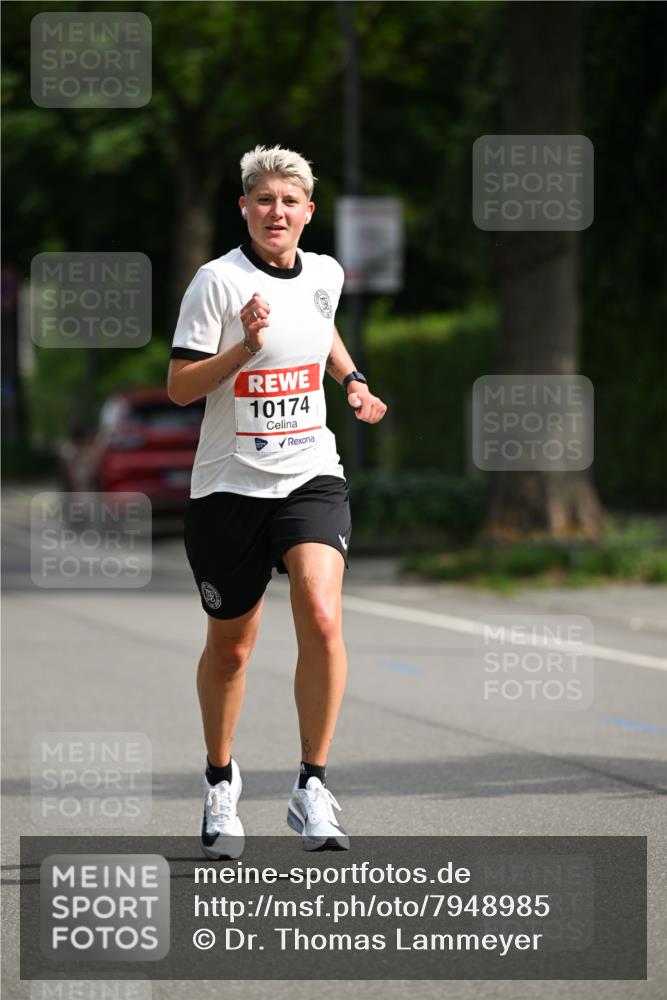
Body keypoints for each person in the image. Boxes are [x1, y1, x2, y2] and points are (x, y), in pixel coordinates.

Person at [167, 144, 387, 858]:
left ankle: (311, 785)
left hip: (309, 473)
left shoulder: (325, 272)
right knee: (231, 651)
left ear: (307, 213)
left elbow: (321, 328)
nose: (276, 212)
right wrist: (243, 349)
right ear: (244, 207)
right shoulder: (215, 283)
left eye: (289, 202)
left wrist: (352, 380)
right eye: (264, 199)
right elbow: (179, 388)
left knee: (322, 616)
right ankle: (220, 780)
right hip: (229, 487)